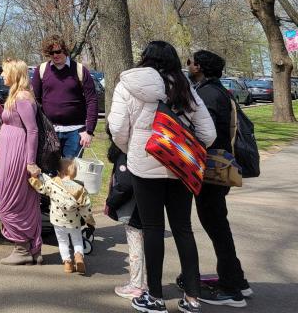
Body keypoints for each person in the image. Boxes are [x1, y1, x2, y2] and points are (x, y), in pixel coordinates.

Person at [108, 41, 216, 313]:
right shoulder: (184, 86)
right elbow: (208, 132)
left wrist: (132, 149)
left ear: (144, 58)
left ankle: (155, 297)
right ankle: (192, 298)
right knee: (183, 228)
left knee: (152, 228)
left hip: (144, 164)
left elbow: (117, 127)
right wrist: (188, 148)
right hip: (180, 166)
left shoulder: (127, 84)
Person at [187, 49, 251, 306]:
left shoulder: (207, 94)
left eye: (190, 62)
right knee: (218, 224)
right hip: (219, 167)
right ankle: (237, 280)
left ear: (199, 67)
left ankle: (230, 289)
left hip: (212, 169)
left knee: (216, 225)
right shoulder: (217, 91)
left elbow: (206, 133)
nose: (188, 65)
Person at [0, 58, 44, 265]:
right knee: (19, 197)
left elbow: (32, 130)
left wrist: (30, 162)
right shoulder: (16, 96)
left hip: (18, 154)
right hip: (10, 152)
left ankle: (22, 249)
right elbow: (12, 120)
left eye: (5, 72)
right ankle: (31, 249)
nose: (2, 75)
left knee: (13, 197)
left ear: (14, 73)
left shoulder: (22, 97)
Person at [32, 35, 99, 160]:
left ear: (65, 50)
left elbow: (92, 101)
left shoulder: (80, 70)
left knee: (70, 175)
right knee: (50, 174)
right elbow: (35, 101)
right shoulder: (41, 70)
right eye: (51, 53)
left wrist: (89, 131)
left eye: (58, 51)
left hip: (76, 132)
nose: (55, 55)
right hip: (49, 132)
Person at [30, 157, 95, 275]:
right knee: (77, 240)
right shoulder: (80, 189)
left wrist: (34, 178)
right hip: (74, 221)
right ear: (74, 173)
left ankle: (67, 263)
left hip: (57, 220)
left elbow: (41, 188)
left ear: (59, 172)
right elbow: (86, 208)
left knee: (63, 242)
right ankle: (79, 257)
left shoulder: (52, 183)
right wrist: (89, 221)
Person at [106, 141, 147, 299]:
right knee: (147, 246)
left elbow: (124, 185)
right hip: (149, 204)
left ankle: (136, 285)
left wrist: (111, 202)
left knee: (136, 248)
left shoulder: (125, 153)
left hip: (133, 209)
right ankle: (145, 282)